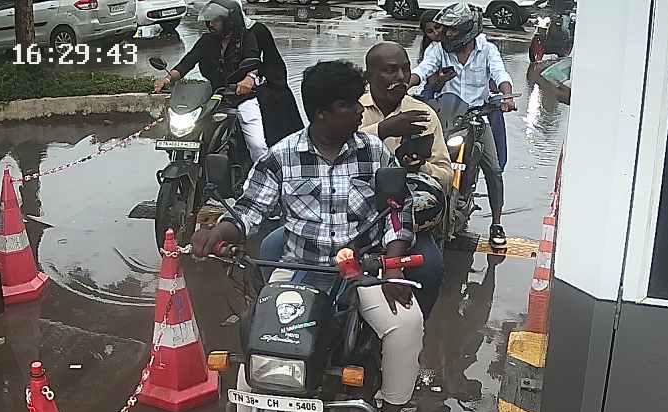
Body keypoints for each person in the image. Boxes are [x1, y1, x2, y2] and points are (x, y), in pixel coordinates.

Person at [193, 60, 423, 412]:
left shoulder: (374, 152)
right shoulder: (281, 156)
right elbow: (249, 210)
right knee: (259, 330)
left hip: (362, 269)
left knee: (406, 323)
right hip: (300, 268)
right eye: (348, 105)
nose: (360, 111)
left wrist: (392, 266)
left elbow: (397, 212)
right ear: (321, 114)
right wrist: (219, 231)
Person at [257, 42, 450, 318]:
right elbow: (328, 138)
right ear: (369, 77)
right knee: (270, 248)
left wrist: (419, 168)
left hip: (396, 212)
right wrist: (384, 129)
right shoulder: (349, 105)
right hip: (332, 218)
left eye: (405, 69)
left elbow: (444, 174)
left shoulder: (423, 114)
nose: (400, 77)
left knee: (430, 267)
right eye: (390, 70)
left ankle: (419, 321)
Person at [410, 2, 516, 249]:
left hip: (477, 119)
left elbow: (500, 74)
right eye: (445, 29)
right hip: (447, 118)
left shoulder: (487, 49)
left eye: (452, 30)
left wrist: (507, 96)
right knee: (421, 161)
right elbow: (422, 70)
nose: (446, 34)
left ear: (467, 30)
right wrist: (405, 83)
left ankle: (496, 223)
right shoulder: (438, 50)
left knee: (493, 170)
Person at [154, 0, 267, 162]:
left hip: (241, 97)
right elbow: (187, 62)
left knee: (257, 145)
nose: (210, 24)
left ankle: (263, 174)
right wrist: (167, 79)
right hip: (212, 98)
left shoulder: (247, 38)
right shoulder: (207, 40)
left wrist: (249, 79)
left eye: (215, 20)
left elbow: (254, 61)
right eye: (209, 20)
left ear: (229, 21)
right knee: (188, 132)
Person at [247, 16, 305, 144]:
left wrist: (253, 77)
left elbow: (272, 64)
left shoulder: (256, 30)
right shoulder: (210, 38)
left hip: (258, 93)